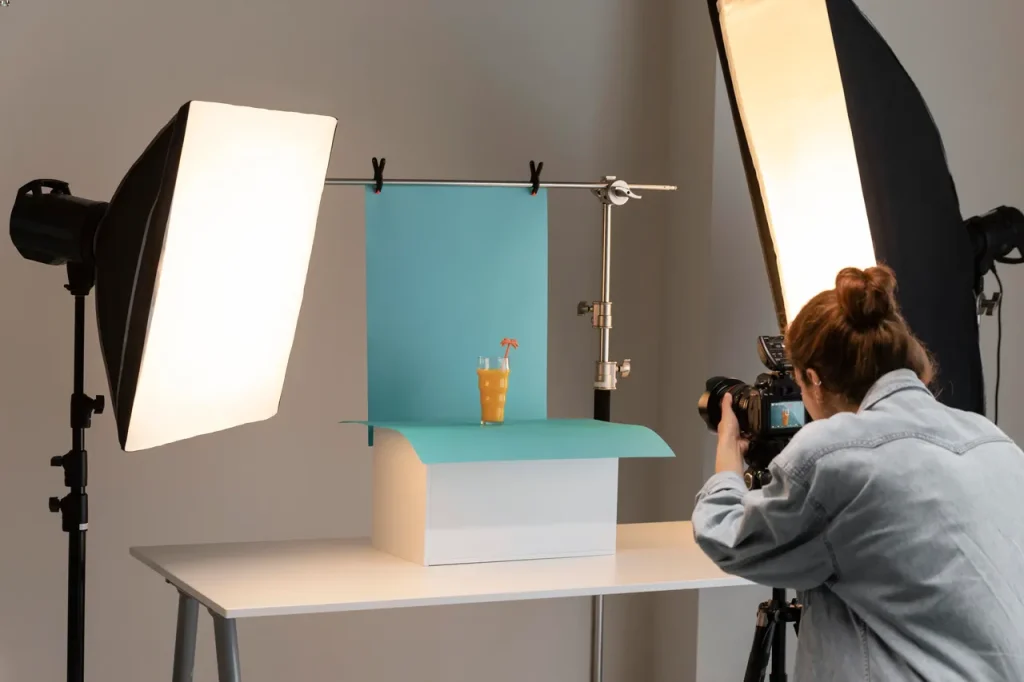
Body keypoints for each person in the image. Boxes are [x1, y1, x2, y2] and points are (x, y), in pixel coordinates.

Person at [692, 265, 1024, 682]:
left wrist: (728, 458)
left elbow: (729, 540)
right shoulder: (994, 442)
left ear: (812, 379)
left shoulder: (834, 454)